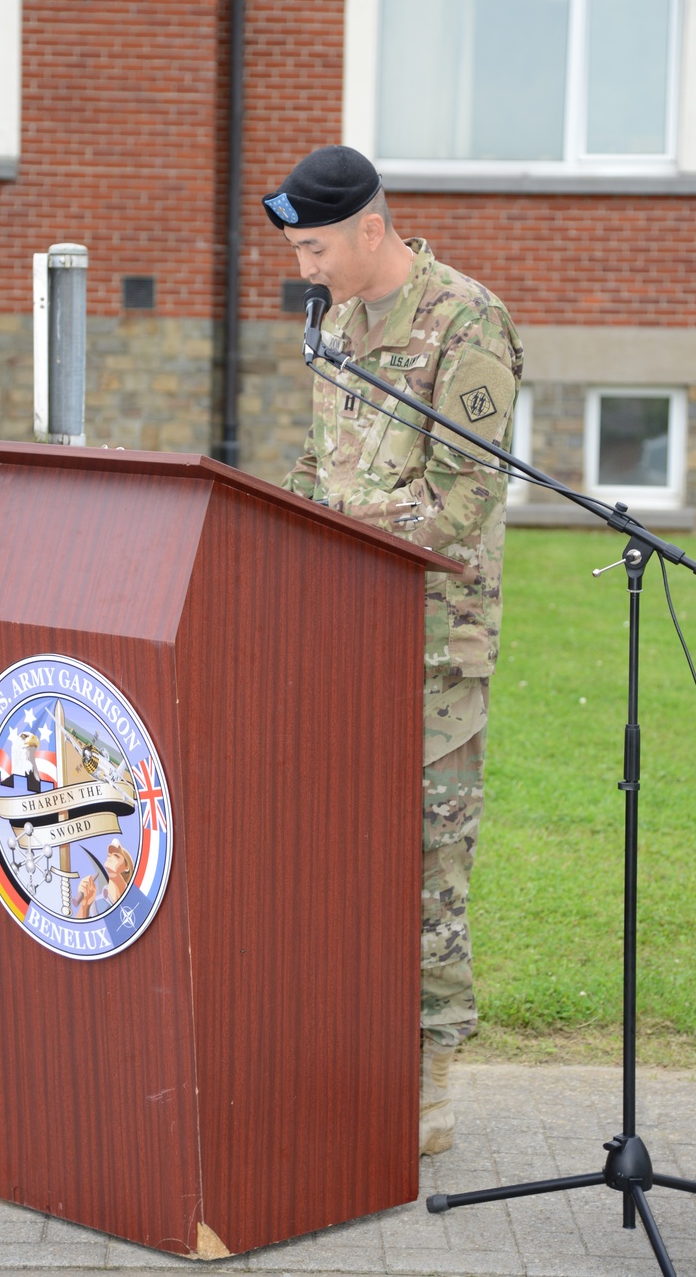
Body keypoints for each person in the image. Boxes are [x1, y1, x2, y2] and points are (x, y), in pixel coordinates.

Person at [263, 145, 523, 1156]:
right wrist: (273, 507)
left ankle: (428, 1080)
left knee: (427, 868)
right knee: (337, 854)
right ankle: (345, 1048)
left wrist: (334, 517)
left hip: (432, 653)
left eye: (315, 246)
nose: (302, 266)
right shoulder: (333, 320)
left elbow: (464, 505)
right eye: (296, 247)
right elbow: (323, 462)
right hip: (342, 631)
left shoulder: (467, 322)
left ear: (371, 229)